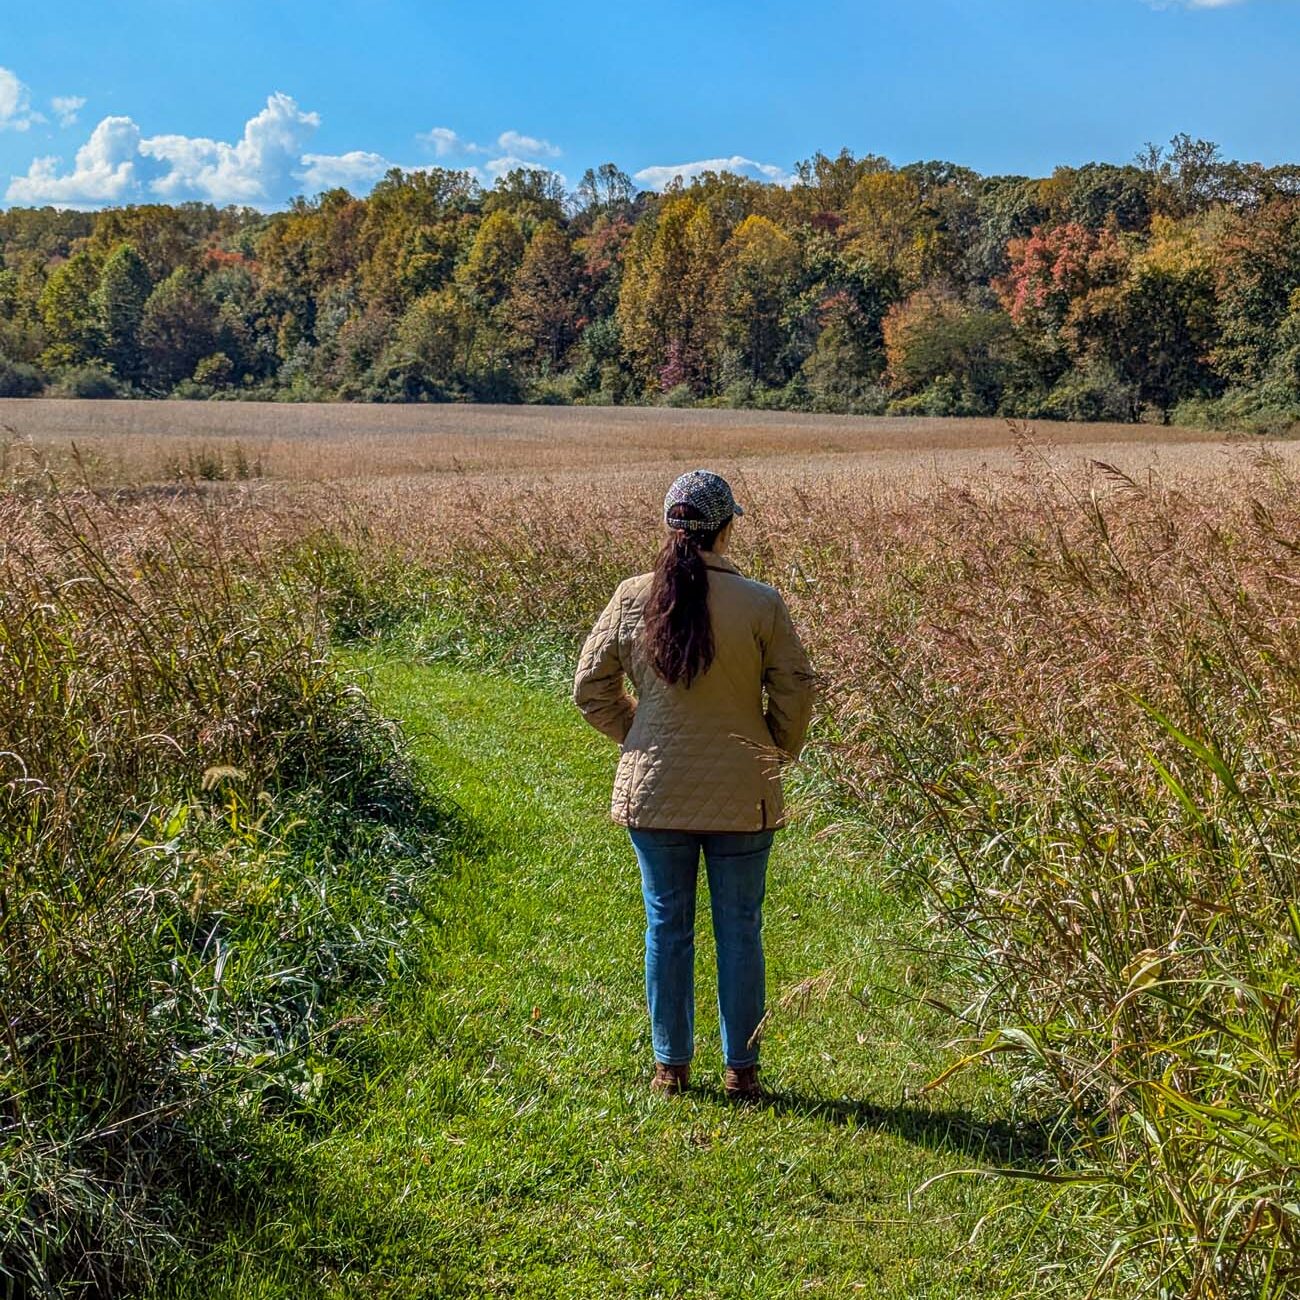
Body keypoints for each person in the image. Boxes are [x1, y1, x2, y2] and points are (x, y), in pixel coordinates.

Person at [573, 469, 816, 1101]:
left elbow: (589, 689)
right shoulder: (761, 603)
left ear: (669, 524)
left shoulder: (631, 596)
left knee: (666, 926)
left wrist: (638, 734)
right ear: (726, 526)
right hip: (744, 788)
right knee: (741, 928)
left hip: (654, 791)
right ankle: (742, 1070)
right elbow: (794, 685)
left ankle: (671, 1068)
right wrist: (775, 746)